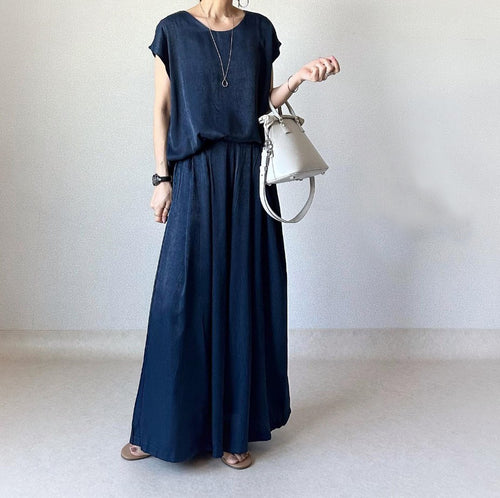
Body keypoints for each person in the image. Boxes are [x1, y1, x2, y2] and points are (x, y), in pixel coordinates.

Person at [121, 0, 340, 470]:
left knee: (243, 293)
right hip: (194, 173)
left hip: (249, 174)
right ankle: (160, 426)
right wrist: (162, 179)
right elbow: (162, 108)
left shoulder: (260, 29)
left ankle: (234, 431)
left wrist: (297, 79)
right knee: (179, 296)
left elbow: (260, 104)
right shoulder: (172, 30)